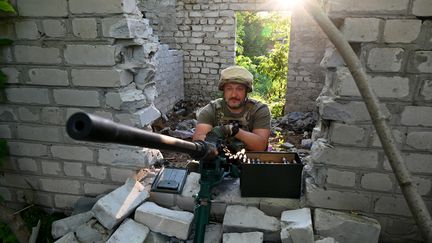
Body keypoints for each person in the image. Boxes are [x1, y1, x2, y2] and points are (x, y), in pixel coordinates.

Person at [192, 65, 271, 151]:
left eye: (239, 89)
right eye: (229, 89)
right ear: (223, 91)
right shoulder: (211, 109)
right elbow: (199, 144)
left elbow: (260, 146)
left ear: (246, 92)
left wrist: (232, 130)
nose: (234, 95)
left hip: (250, 161)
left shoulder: (258, 110)